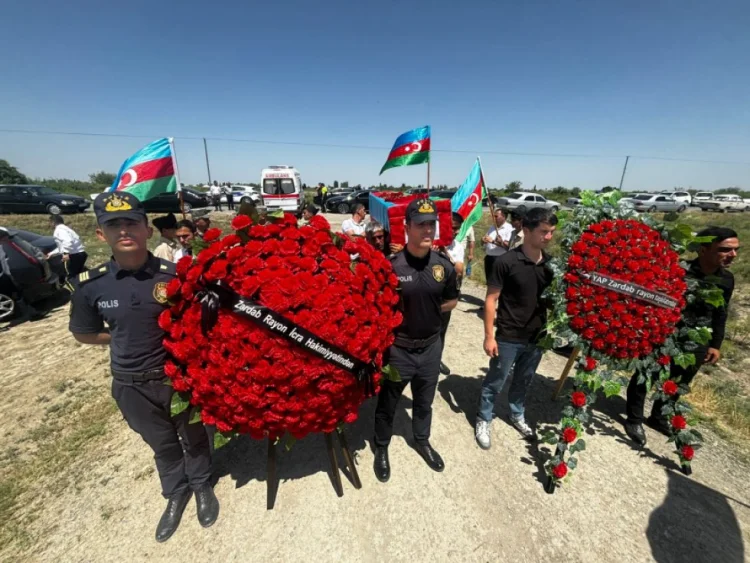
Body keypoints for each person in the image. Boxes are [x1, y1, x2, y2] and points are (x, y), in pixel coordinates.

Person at [67, 192, 218, 542]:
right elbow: (85, 334)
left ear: (147, 230)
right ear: (100, 233)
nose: (124, 230)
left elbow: (197, 320)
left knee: (194, 437)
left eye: (132, 222)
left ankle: (202, 486)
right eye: (113, 224)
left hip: (176, 378)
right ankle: (175, 493)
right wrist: (120, 337)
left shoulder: (174, 276)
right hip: (131, 384)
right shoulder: (90, 285)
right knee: (162, 445)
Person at [623, 226, 739, 446]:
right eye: (725, 249)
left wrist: (715, 344)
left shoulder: (726, 279)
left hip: (697, 338)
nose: (732, 255)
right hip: (665, 331)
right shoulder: (678, 269)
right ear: (703, 249)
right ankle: (634, 418)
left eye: (735, 250)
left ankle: (658, 416)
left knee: (679, 380)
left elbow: (721, 312)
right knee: (647, 374)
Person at [373, 198, 459, 482]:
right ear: (406, 227)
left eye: (431, 224)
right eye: (420, 224)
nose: (427, 230)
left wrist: (429, 310)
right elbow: (378, 307)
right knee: (389, 403)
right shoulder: (391, 266)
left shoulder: (443, 266)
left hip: (431, 349)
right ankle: (381, 447)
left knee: (424, 402)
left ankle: (422, 440)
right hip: (399, 351)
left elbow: (451, 301)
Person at [475, 208, 558, 449]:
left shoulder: (551, 266)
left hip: (537, 336)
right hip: (509, 335)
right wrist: (489, 336)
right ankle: (484, 417)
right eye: (544, 232)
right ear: (526, 230)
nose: (548, 237)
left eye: (551, 232)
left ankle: (516, 413)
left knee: (524, 379)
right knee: (496, 380)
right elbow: (491, 299)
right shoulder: (507, 262)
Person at [437, 213, 466, 376]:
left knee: (441, 330)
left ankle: (437, 359)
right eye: (453, 228)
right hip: (427, 294)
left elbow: (459, 270)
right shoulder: (429, 243)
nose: (455, 232)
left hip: (446, 296)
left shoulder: (457, 247)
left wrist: (444, 253)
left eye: (458, 229)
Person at [49, 214, 87, 280]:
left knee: (70, 276)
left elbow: (68, 242)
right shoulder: (66, 229)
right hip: (80, 254)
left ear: (53, 222)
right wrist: (51, 253)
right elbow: (62, 246)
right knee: (76, 276)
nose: (49, 224)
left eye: (50, 222)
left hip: (74, 256)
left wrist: (66, 254)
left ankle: (74, 289)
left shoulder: (59, 230)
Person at [482, 208, 513, 279]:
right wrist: (483, 240)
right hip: (489, 258)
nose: (494, 218)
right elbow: (486, 239)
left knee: (498, 282)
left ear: (504, 217)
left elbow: (507, 246)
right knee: (489, 281)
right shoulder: (492, 227)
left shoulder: (509, 228)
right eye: (493, 216)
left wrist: (493, 241)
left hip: (500, 259)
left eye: (496, 216)